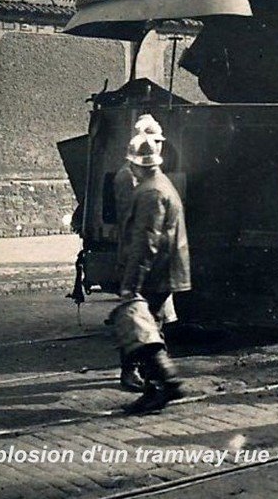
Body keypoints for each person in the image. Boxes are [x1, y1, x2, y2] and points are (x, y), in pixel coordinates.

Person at [115, 123, 191, 414]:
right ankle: (159, 385)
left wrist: (132, 282)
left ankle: (165, 384)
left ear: (136, 165)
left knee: (143, 328)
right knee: (151, 326)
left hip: (156, 272)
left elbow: (147, 241)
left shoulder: (150, 193)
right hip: (164, 270)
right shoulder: (160, 184)